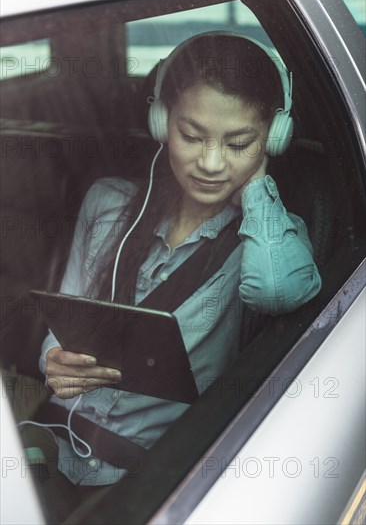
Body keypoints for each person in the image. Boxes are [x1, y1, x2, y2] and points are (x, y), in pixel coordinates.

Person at [21, 32, 321, 521]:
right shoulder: (108, 203)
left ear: (274, 137)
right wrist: (53, 359)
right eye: (192, 135)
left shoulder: (270, 240)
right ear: (161, 124)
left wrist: (257, 187)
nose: (210, 162)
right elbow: (65, 314)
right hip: (58, 437)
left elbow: (278, 290)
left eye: (239, 142)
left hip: (157, 472)